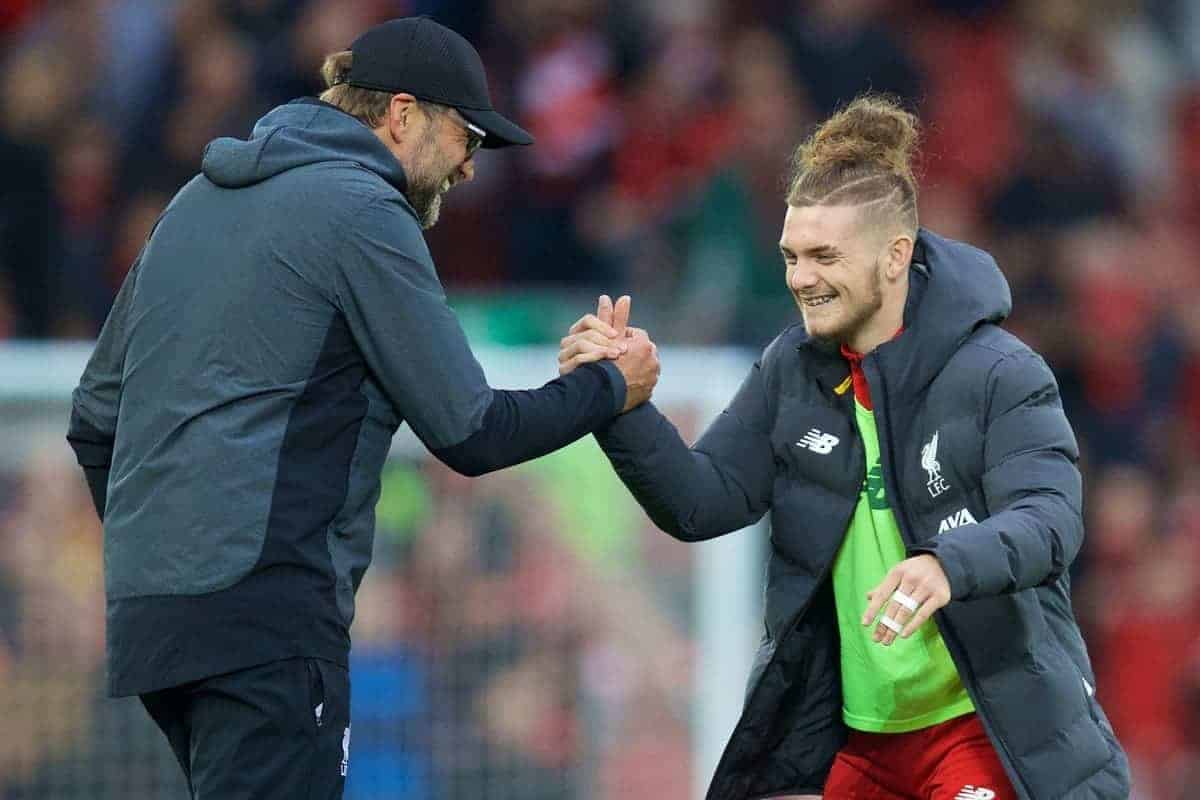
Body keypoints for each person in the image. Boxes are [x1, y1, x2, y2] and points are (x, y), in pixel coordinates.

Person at [64, 17, 659, 800]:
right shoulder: (363, 211)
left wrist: (178, 556)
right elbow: (471, 429)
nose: (470, 169)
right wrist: (609, 387)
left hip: (156, 626)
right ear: (402, 115)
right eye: (467, 138)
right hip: (268, 624)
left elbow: (96, 417)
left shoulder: (192, 206)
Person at [560, 94, 1130, 799]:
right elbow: (700, 503)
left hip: (983, 727)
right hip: (862, 740)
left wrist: (947, 566)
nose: (801, 277)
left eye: (825, 256)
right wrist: (621, 404)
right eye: (792, 255)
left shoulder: (998, 372)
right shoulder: (789, 371)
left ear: (896, 255)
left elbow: (1051, 520)